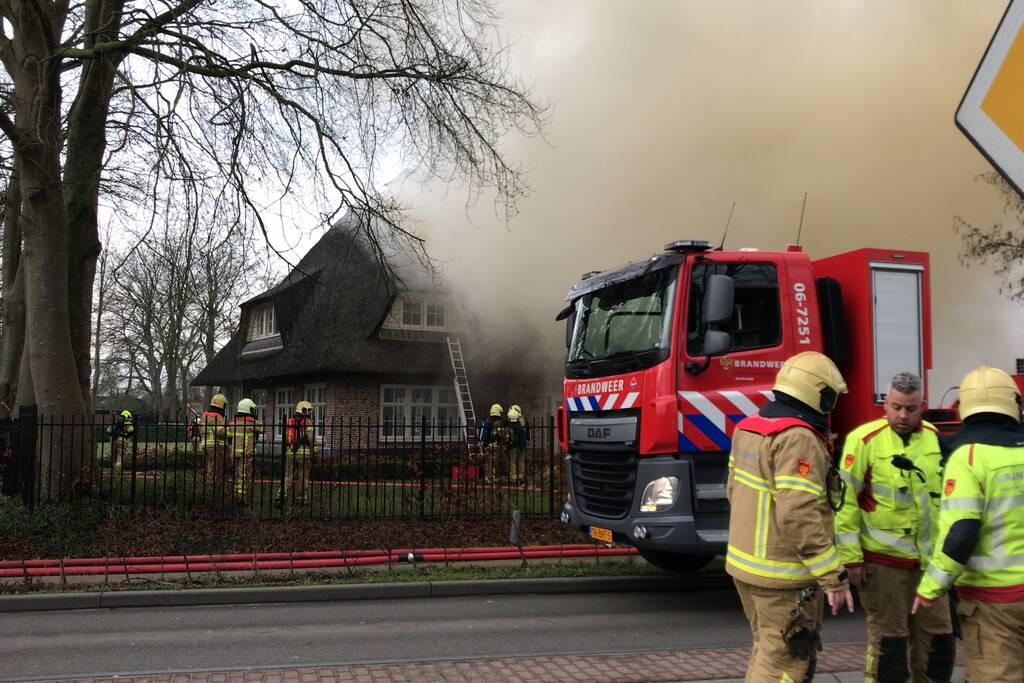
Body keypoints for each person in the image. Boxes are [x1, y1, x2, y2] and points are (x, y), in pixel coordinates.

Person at [726, 351, 854, 682]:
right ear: (820, 395)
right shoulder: (799, 438)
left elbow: (732, 490)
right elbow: (799, 515)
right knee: (786, 662)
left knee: (766, 651)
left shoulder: (749, 426)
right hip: (783, 575)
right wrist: (833, 576)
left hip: (747, 568)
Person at [834, 372, 953, 683]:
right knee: (891, 647)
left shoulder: (933, 437)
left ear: (922, 406)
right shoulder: (863, 441)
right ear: (885, 403)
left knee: (938, 645)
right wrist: (852, 559)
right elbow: (845, 504)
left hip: (929, 566)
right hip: (883, 565)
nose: (903, 415)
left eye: (911, 408)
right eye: (896, 407)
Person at [913, 365, 1024, 682]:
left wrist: (930, 588)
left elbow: (961, 534)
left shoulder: (968, 458)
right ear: (1014, 404)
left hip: (994, 603)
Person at [227, 398, 264, 505]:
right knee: (244, 476)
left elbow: (229, 437)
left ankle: (235, 495)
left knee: (236, 475)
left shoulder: (233, 423)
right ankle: (242, 498)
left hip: (234, 453)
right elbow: (262, 428)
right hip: (246, 453)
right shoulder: (251, 423)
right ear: (249, 409)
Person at [284, 400, 315, 508]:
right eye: (308, 410)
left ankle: (281, 495)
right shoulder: (307, 422)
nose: (310, 413)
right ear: (303, 410)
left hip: (290, 453)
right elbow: (311, 439)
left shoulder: (290, 421)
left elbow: (286, 439)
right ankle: (301, 499)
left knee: (288, 475)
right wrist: (314, 451)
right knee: (303, 477)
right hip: (304, 455)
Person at [200, 394, 229, 502]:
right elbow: (220, 431)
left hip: (204, 445)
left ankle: (207, 490)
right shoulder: (217, 416)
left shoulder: (204, 415)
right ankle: (214, 493)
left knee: (208, 469)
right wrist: (228, 429)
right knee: (216, 470)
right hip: (216, 447)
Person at [476, 403, 508, 481]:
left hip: (486, 446)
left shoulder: (487, 421)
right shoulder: (498, 423)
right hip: (495, 446)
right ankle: (492, 478)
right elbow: (501, 435)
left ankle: (487, 478)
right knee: (494, 462)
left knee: (488, 462)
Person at [507, 404, 530, 483]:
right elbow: (528, 432)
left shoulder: (512, 420)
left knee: (512, 461)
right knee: (521, 461)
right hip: (523, 444)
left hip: (514, 445)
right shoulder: (524, 420)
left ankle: (513, 479)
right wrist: (527, 440)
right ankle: (522, 478)